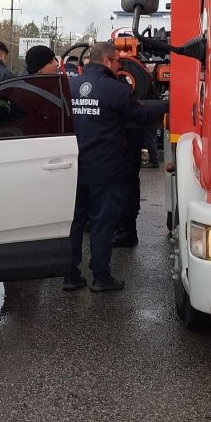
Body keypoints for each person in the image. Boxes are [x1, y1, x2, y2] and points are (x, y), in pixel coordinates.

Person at [66, 41, 167, 292]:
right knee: (102, 222)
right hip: (105, 168)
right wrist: (169, 104)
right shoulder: (116, 90)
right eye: (118, 62)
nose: (120, 66)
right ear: (108, 61)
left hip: (72, 168)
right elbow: (141, 115)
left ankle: (70, 276)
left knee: (75, 222)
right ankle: (101, 277)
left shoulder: (68, 86)